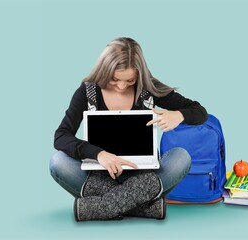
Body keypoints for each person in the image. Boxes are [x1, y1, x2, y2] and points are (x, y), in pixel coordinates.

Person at [50, 37, 208, 221]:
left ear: (139, 76)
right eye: (114, 79)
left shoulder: (148, 87)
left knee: (181, 157)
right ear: (104, 70)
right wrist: (99, 154)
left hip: (143, 174)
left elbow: (200, 111)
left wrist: (179, 115)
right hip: (100, 175)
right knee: (58, 161)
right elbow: (61, 136)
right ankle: (142, 207)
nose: (122, 86)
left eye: (130, 80)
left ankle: (100, 207)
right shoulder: (87, 91)